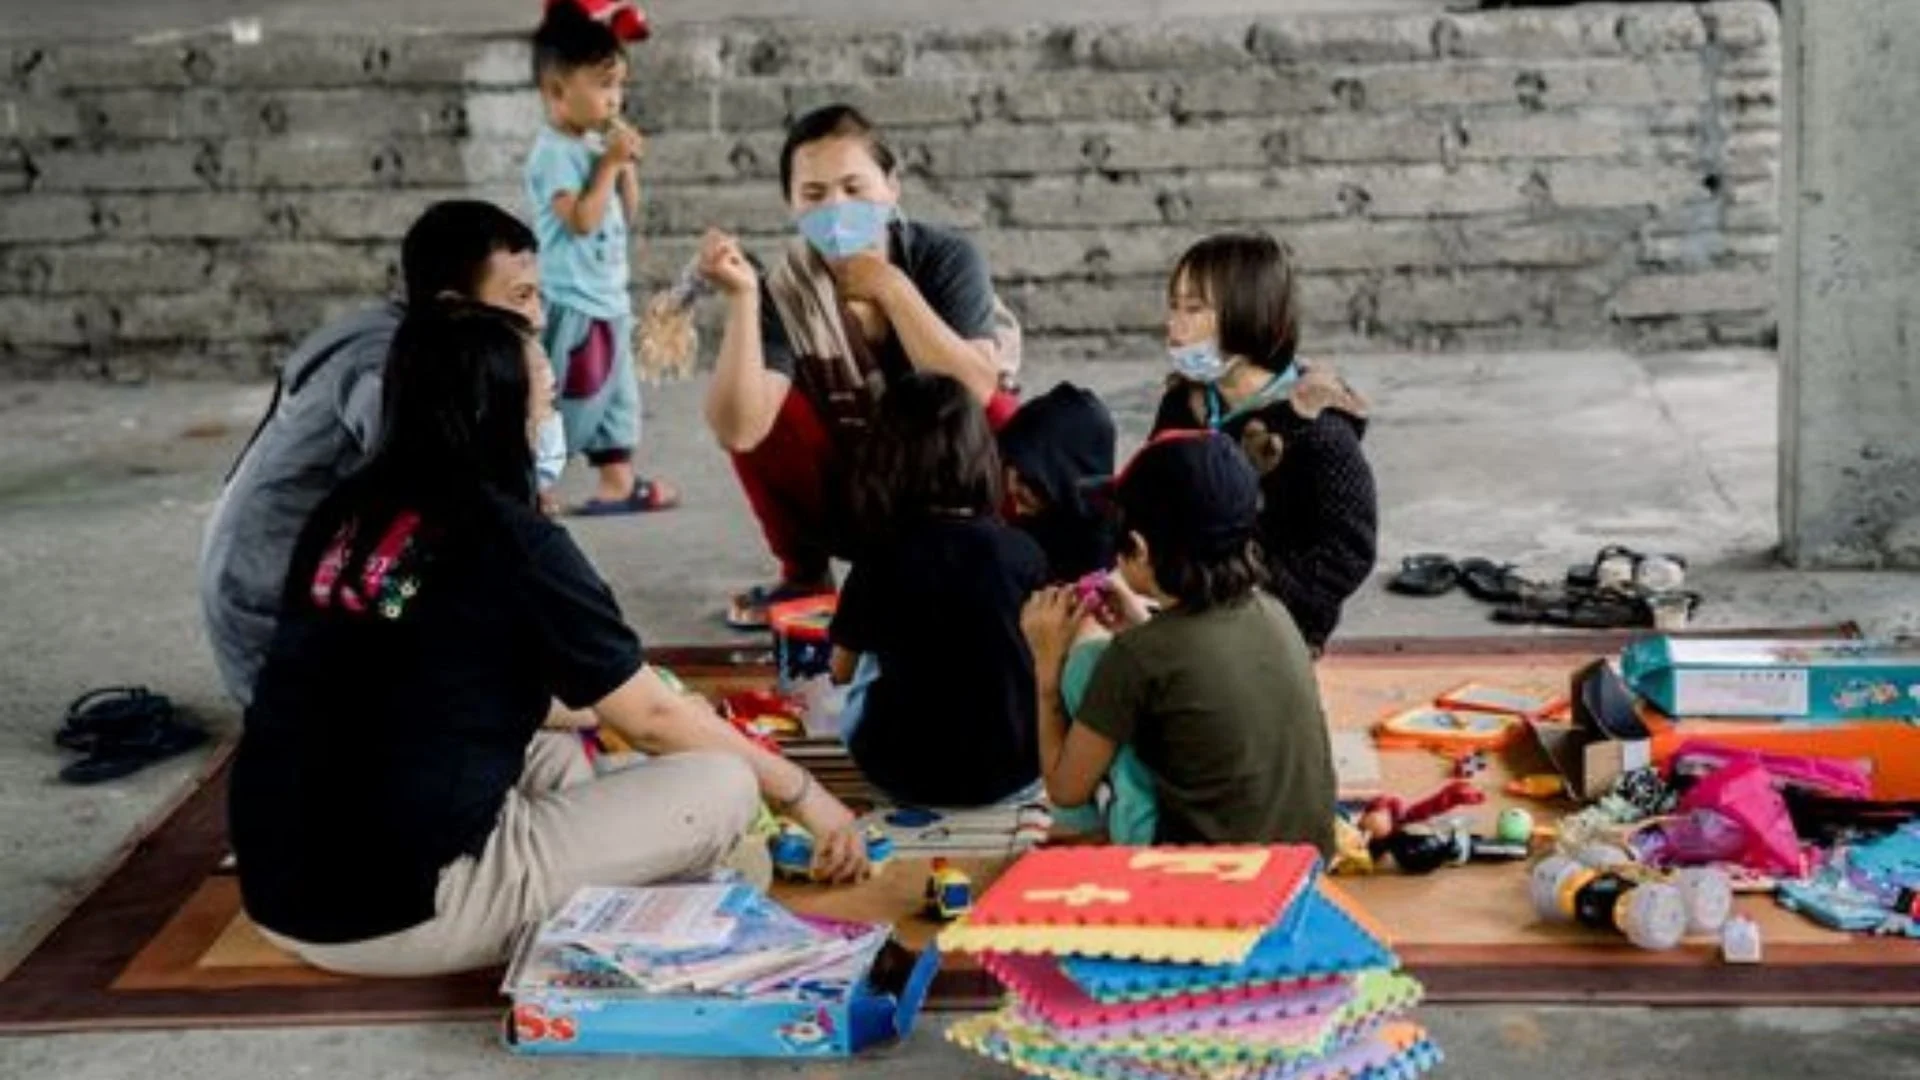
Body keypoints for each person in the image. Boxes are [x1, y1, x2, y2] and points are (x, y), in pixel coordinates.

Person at [229, 302, 866, 978]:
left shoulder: (348, 510)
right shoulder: (509, 539)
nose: (552, 421)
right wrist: (804, 795)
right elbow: (650, 719)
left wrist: (604, 712)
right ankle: (642, 915)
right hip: (405, 914)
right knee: (726, 786)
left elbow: (429, 670)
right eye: (547, 401)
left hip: (278, 889)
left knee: (558, 746)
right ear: (496, 411)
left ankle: (616, 865)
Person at [198, 199, 546, 708]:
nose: (537, 317)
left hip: (299, 599)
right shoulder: (387, 368)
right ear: (454, 303)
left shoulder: (422, 343)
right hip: (271, 623)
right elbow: (449, 498)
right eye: (521, 296)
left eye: (538, 295)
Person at [698, 103, 1020, 630]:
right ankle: (805, 575)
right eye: (814, 194)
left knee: (1007, 416)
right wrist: (743, 299)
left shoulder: (943, 258)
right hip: (859, 494)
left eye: (854, 188)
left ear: (891, 188)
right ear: (791, 204)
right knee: (766, 403)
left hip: (958, 490)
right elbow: (740, 429)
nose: (836, 208)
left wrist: (891, 289)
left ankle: (1000, 564)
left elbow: (977, 387)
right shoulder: (788, 289)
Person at [1020, 431, 1337, 853]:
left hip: (1204, 878)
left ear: (1138, 547)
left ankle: (1085, 837)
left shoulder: (1135, 656)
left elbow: (1064, 789)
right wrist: (1140, 624)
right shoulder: (1273, 612)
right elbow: (1188, 669)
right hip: (1303, 863)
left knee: (1085, 662)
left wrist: (1047, 667)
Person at [825, 373, 1048, 808]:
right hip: (1014, 772)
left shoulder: (879, 557)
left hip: (905, 777)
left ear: (885, 461)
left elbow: (841, 670)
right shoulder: (1022, 552)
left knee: (870, 664)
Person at [1151, 232, 1377, 653]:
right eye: (1173, 306)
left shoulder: (1318, 431)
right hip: (1184, 601)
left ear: (1249, 314)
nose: (1173, 323)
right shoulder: (1184, 405)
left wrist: (1251, 592)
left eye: (1193, 308)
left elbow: (1348, 552)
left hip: (1275, 625)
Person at [525, 0, 678, 515]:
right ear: (557, 91)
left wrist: (625, 168)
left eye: (619, 87)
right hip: (573, 300)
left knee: (617, 396)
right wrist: (610, 165)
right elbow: (581, 221)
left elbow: (625, 213)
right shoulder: (553, 154)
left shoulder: (593, 144)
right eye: (603, 86)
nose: (615, 100)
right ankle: (533, 483)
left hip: (607, 296)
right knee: (575, 394)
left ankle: (619, 480)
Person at [997, 381, 1118, 583]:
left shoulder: (1119, 562)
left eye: (1027, 485)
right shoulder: (1016, 538)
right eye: (1008, 466)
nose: (1017, 509)